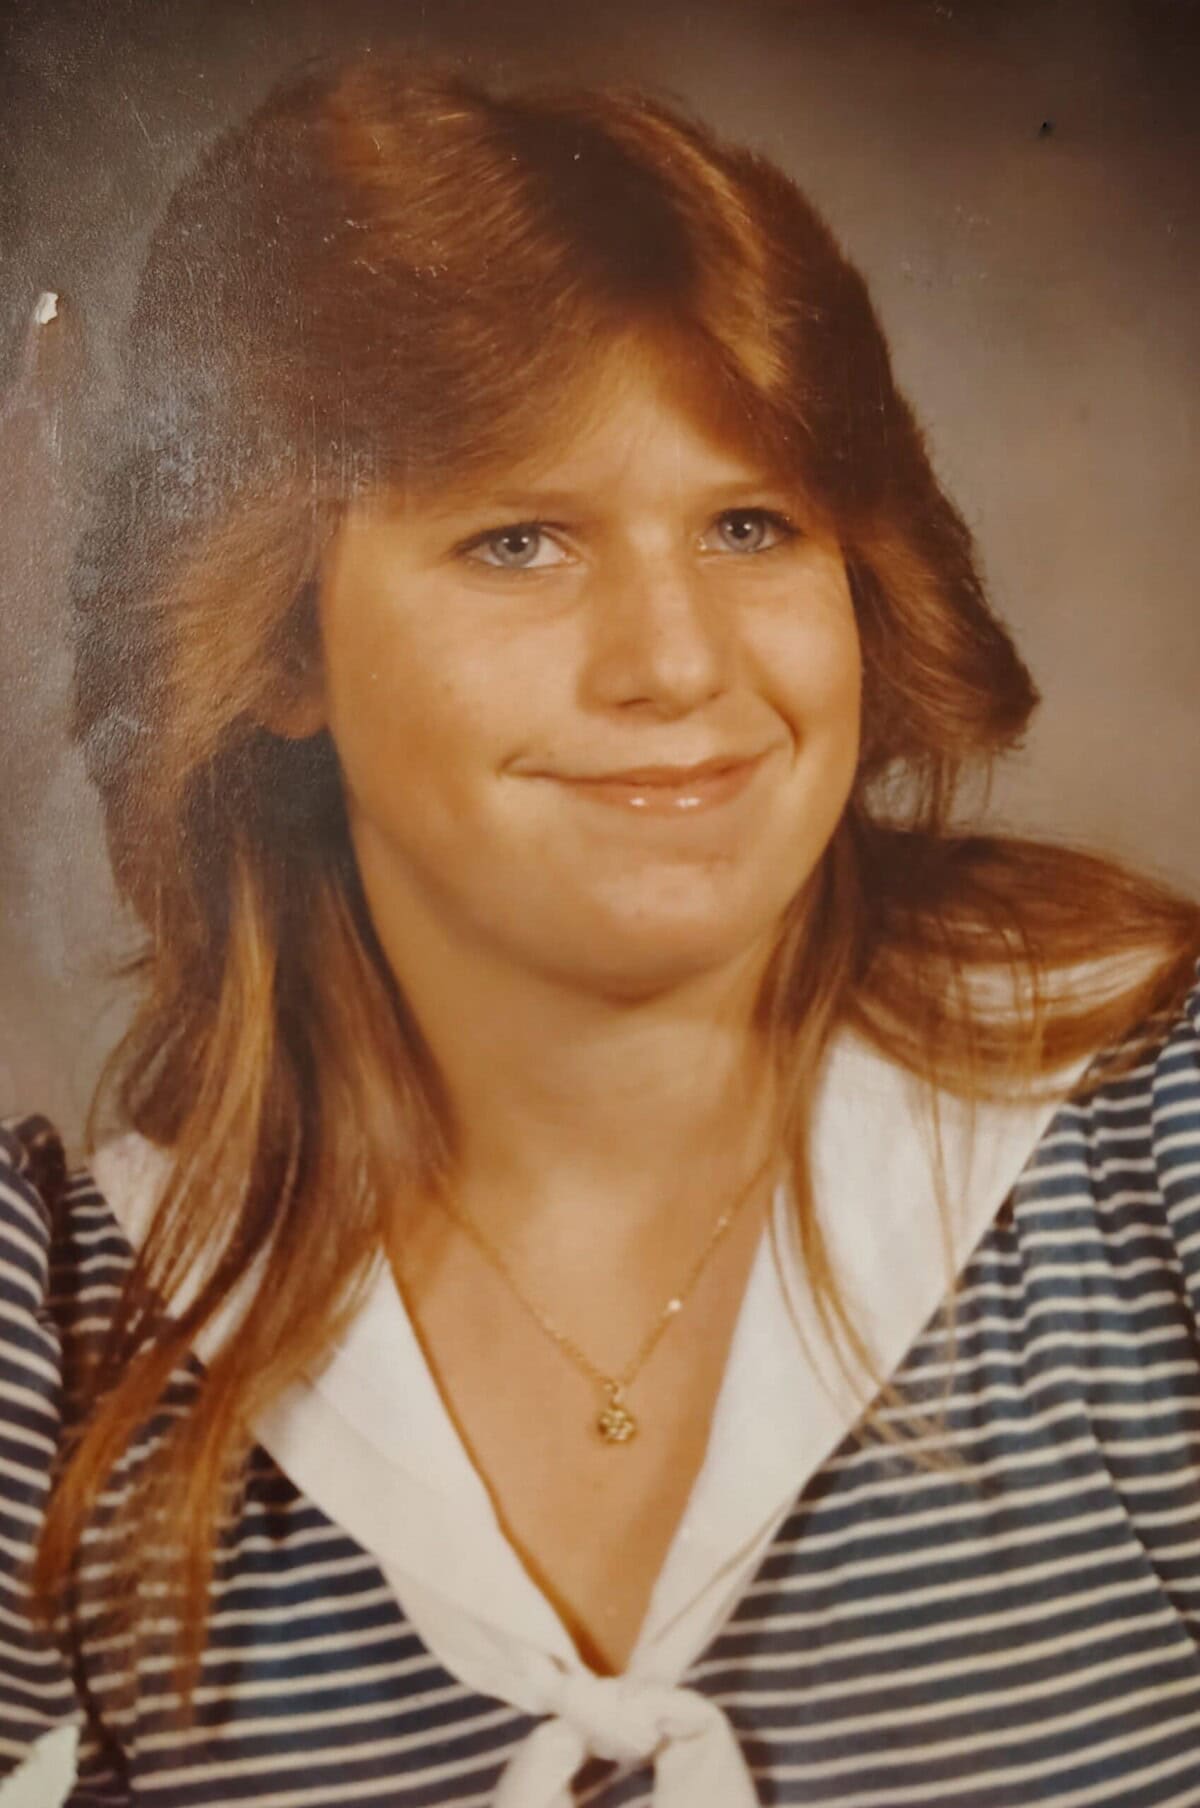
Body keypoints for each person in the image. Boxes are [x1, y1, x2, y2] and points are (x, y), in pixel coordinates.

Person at [2, 54, 1199, 1808]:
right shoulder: (62, 1338)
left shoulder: (1151, 1153)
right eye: (518, 542)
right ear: (273, 648)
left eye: (750, 524)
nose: (678, 662)